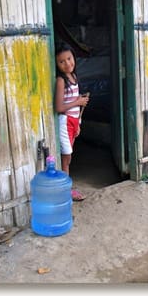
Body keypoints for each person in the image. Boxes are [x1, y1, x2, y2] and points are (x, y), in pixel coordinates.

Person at [54, 42, 89, 201]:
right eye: (62, 61)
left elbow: (76, 107)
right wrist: (77, 102)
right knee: (66, 157)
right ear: (57, 64)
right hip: (65, 121)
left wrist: (79, 124)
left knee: (69, 157)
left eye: (69, 58)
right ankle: (65, 189)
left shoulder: (74, 77)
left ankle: (65, 187)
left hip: (74, 122)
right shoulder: (61, 81)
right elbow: (59, 107)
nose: (67, 63)